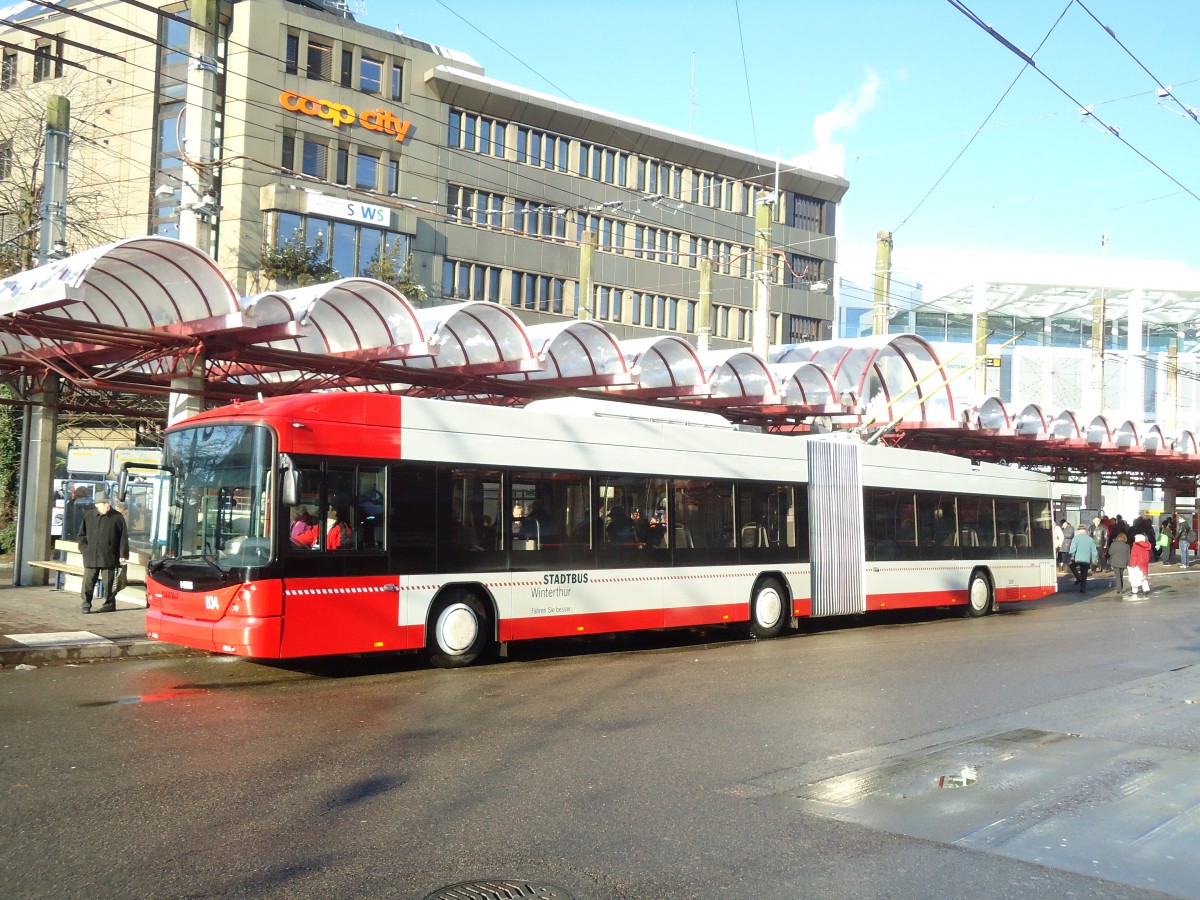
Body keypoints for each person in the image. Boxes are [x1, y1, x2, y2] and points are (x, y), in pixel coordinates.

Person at [77, 491, 129, 614]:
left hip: (109, 556)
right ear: (97, 505)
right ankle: (86, 604)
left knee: (109, 583)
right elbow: (81, 535)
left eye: (108, 502)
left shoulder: (117, 517)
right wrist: (85, 549)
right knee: (88, 582)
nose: (107, 505)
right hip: (91, 555)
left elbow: (123, 537)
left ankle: (109, 604)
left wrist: (123, 554)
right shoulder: (89, 516)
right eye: (104, 503)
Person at [1068, 524, 1098, 593]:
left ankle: (1078, 577)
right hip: (1086, 559)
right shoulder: (1090, 539)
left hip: (1077, 558)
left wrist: (1072, 557)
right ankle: (1083, 588)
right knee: (1084, 574)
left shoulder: (1076, 538)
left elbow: (1072, 549)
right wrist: (1094, 560)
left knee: (1072, 566)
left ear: (1078, 531)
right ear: (1085, 531)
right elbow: (1094, 551)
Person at [1128, 533, 1152, 597]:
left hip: (1137, 563)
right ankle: (1146, 589)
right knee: (1143, 576)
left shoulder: (1136, 546)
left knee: (1135, 577)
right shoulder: (1147, 545)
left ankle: (1134, 590)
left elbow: (1134, 556)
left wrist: (1132, 565)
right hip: (1144, 562)